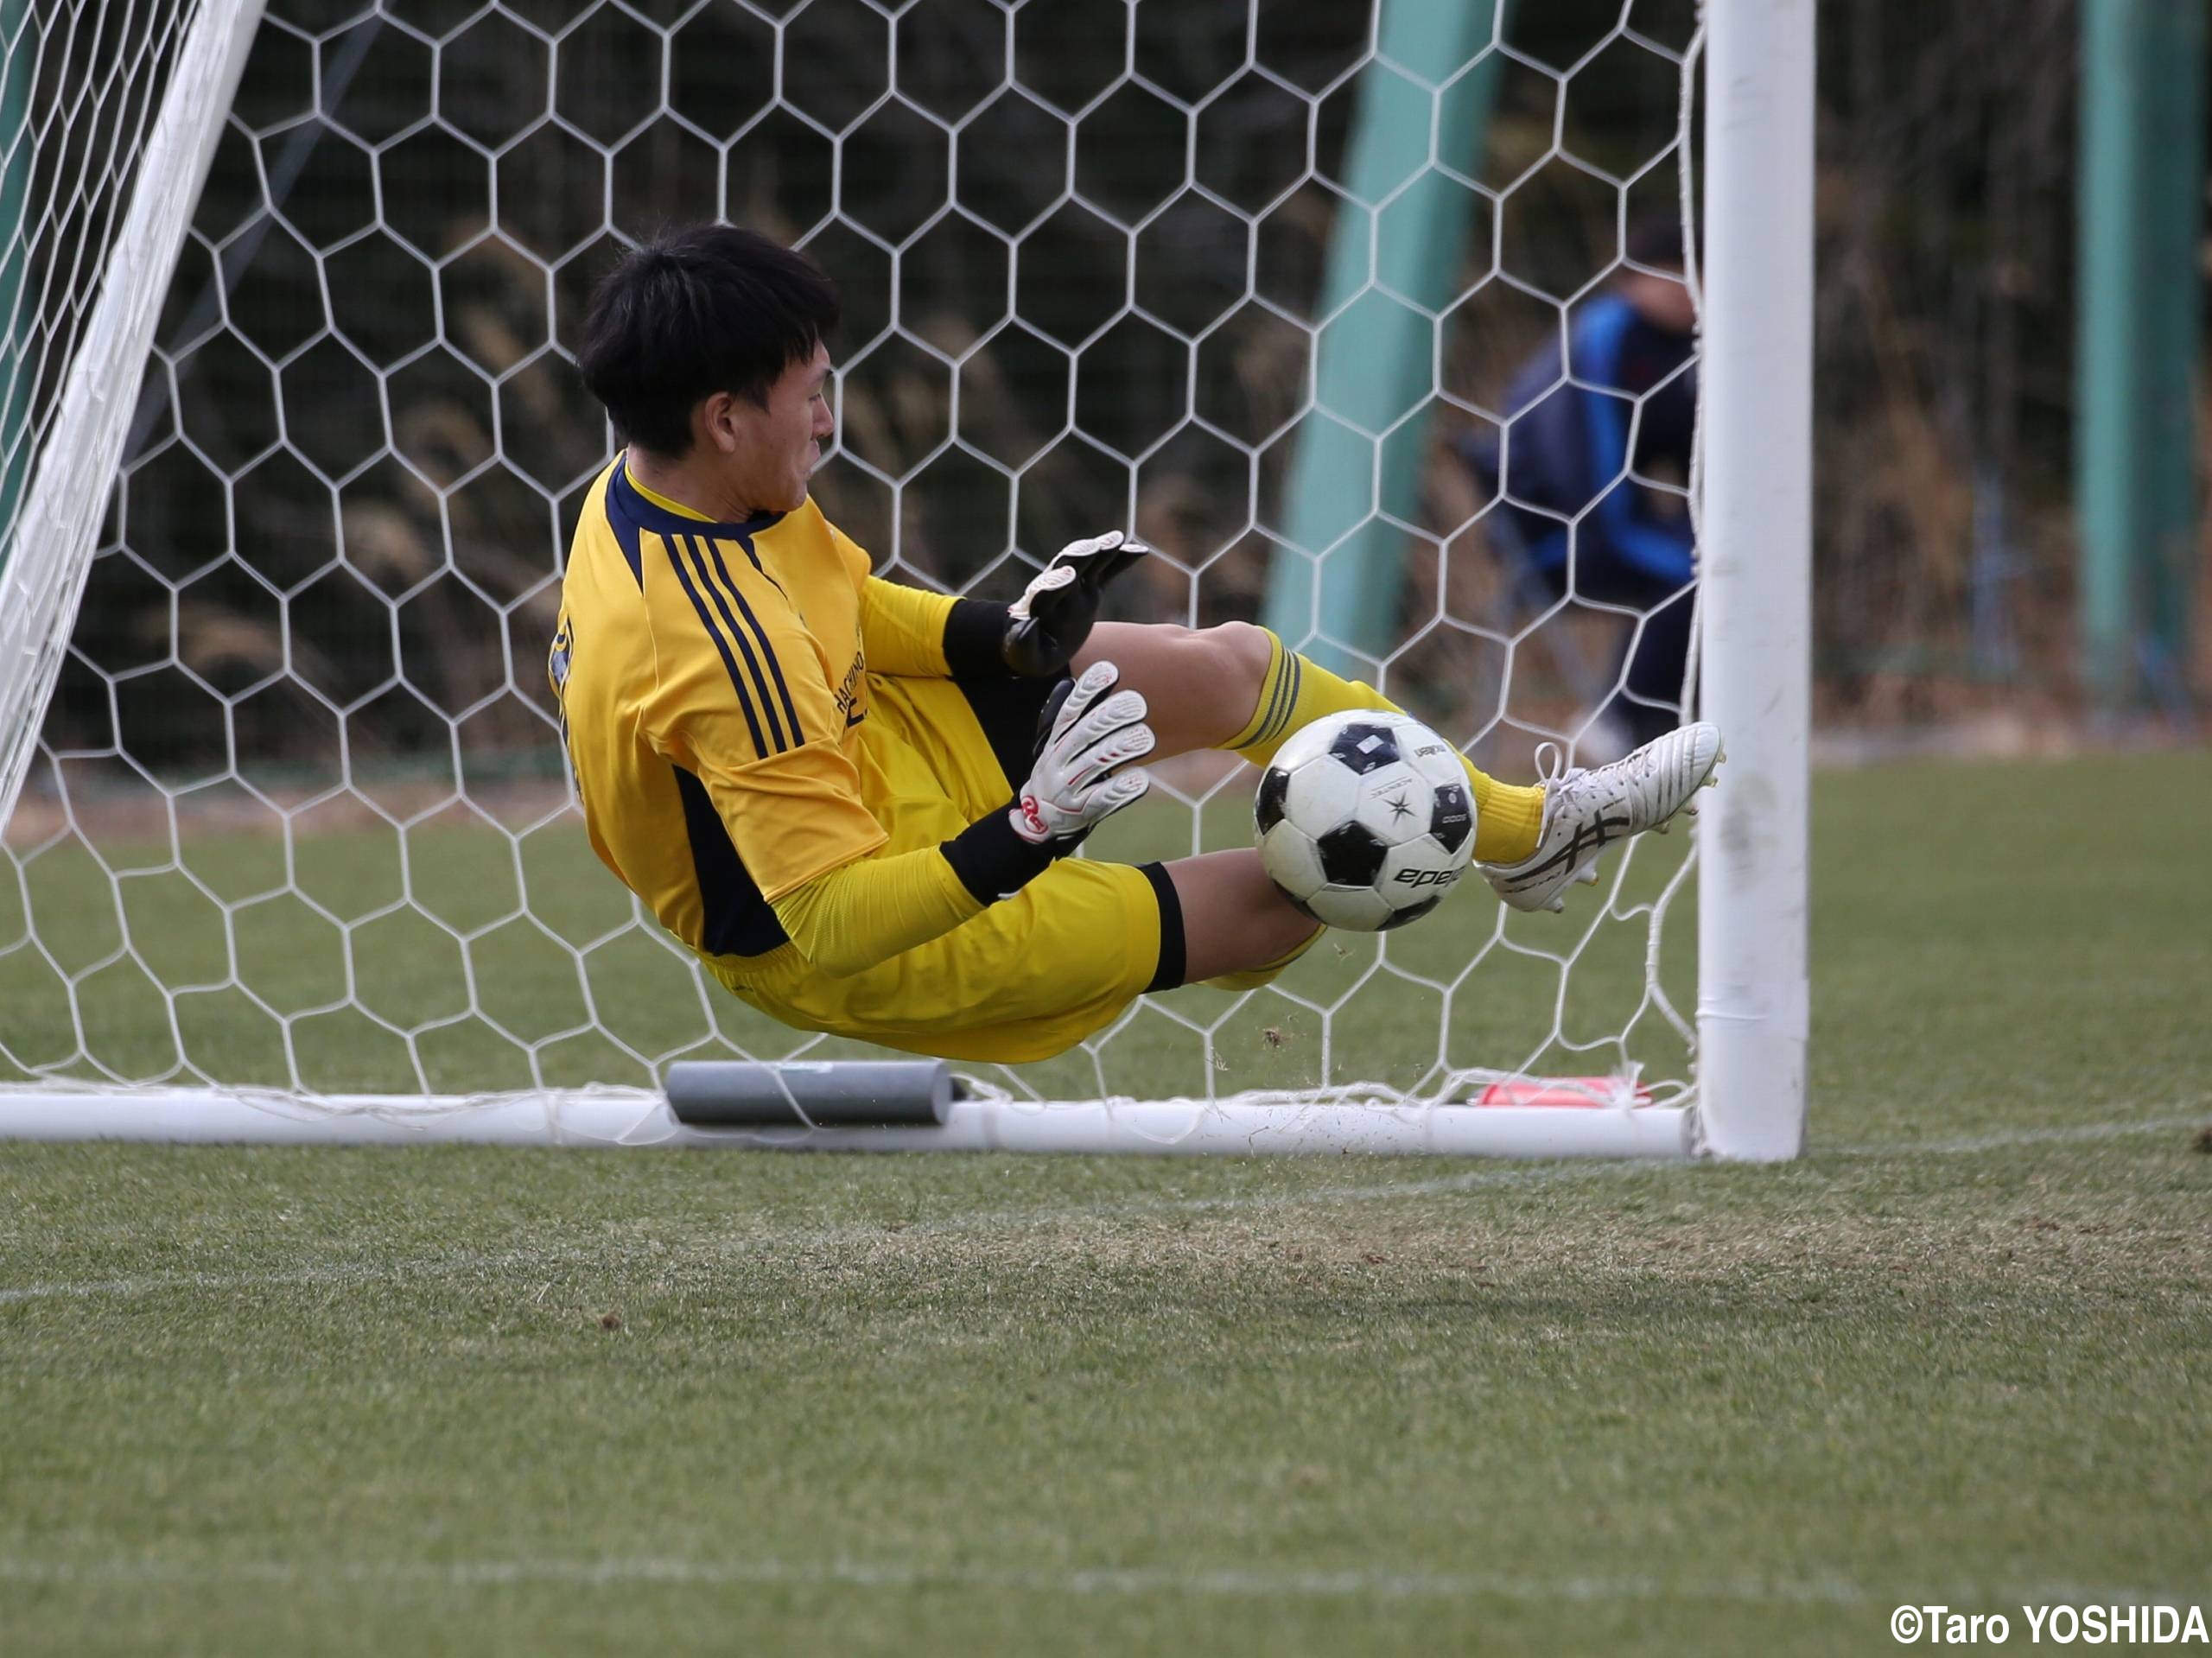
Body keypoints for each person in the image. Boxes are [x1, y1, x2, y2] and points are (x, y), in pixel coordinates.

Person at [549, 226, 1720, 1064]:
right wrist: (1033, 827)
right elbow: (836, 917)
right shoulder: (710, 644)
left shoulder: (671, 479)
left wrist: (1010, 641)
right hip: (856, 931)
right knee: (1287, 899)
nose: (826, 413)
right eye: (810, 391)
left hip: (873, 737)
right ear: (723, 416)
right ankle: (1484, 844)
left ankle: (1528, 833)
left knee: (1231, 670)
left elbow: (848, 608)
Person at [1462, 218, 1699, 753]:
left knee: (1723, 571)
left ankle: (1687, 731)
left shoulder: (1689, 346)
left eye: (1700, 273)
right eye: (1677, 273)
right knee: (1697, 576)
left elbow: (1697, 459)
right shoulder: (1605, 334)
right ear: (1634, 279)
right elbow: (1588, 477)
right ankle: (1617, 725)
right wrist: (1675, 546)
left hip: (1617, 529)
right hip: (1558, 538)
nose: (1691, 287)